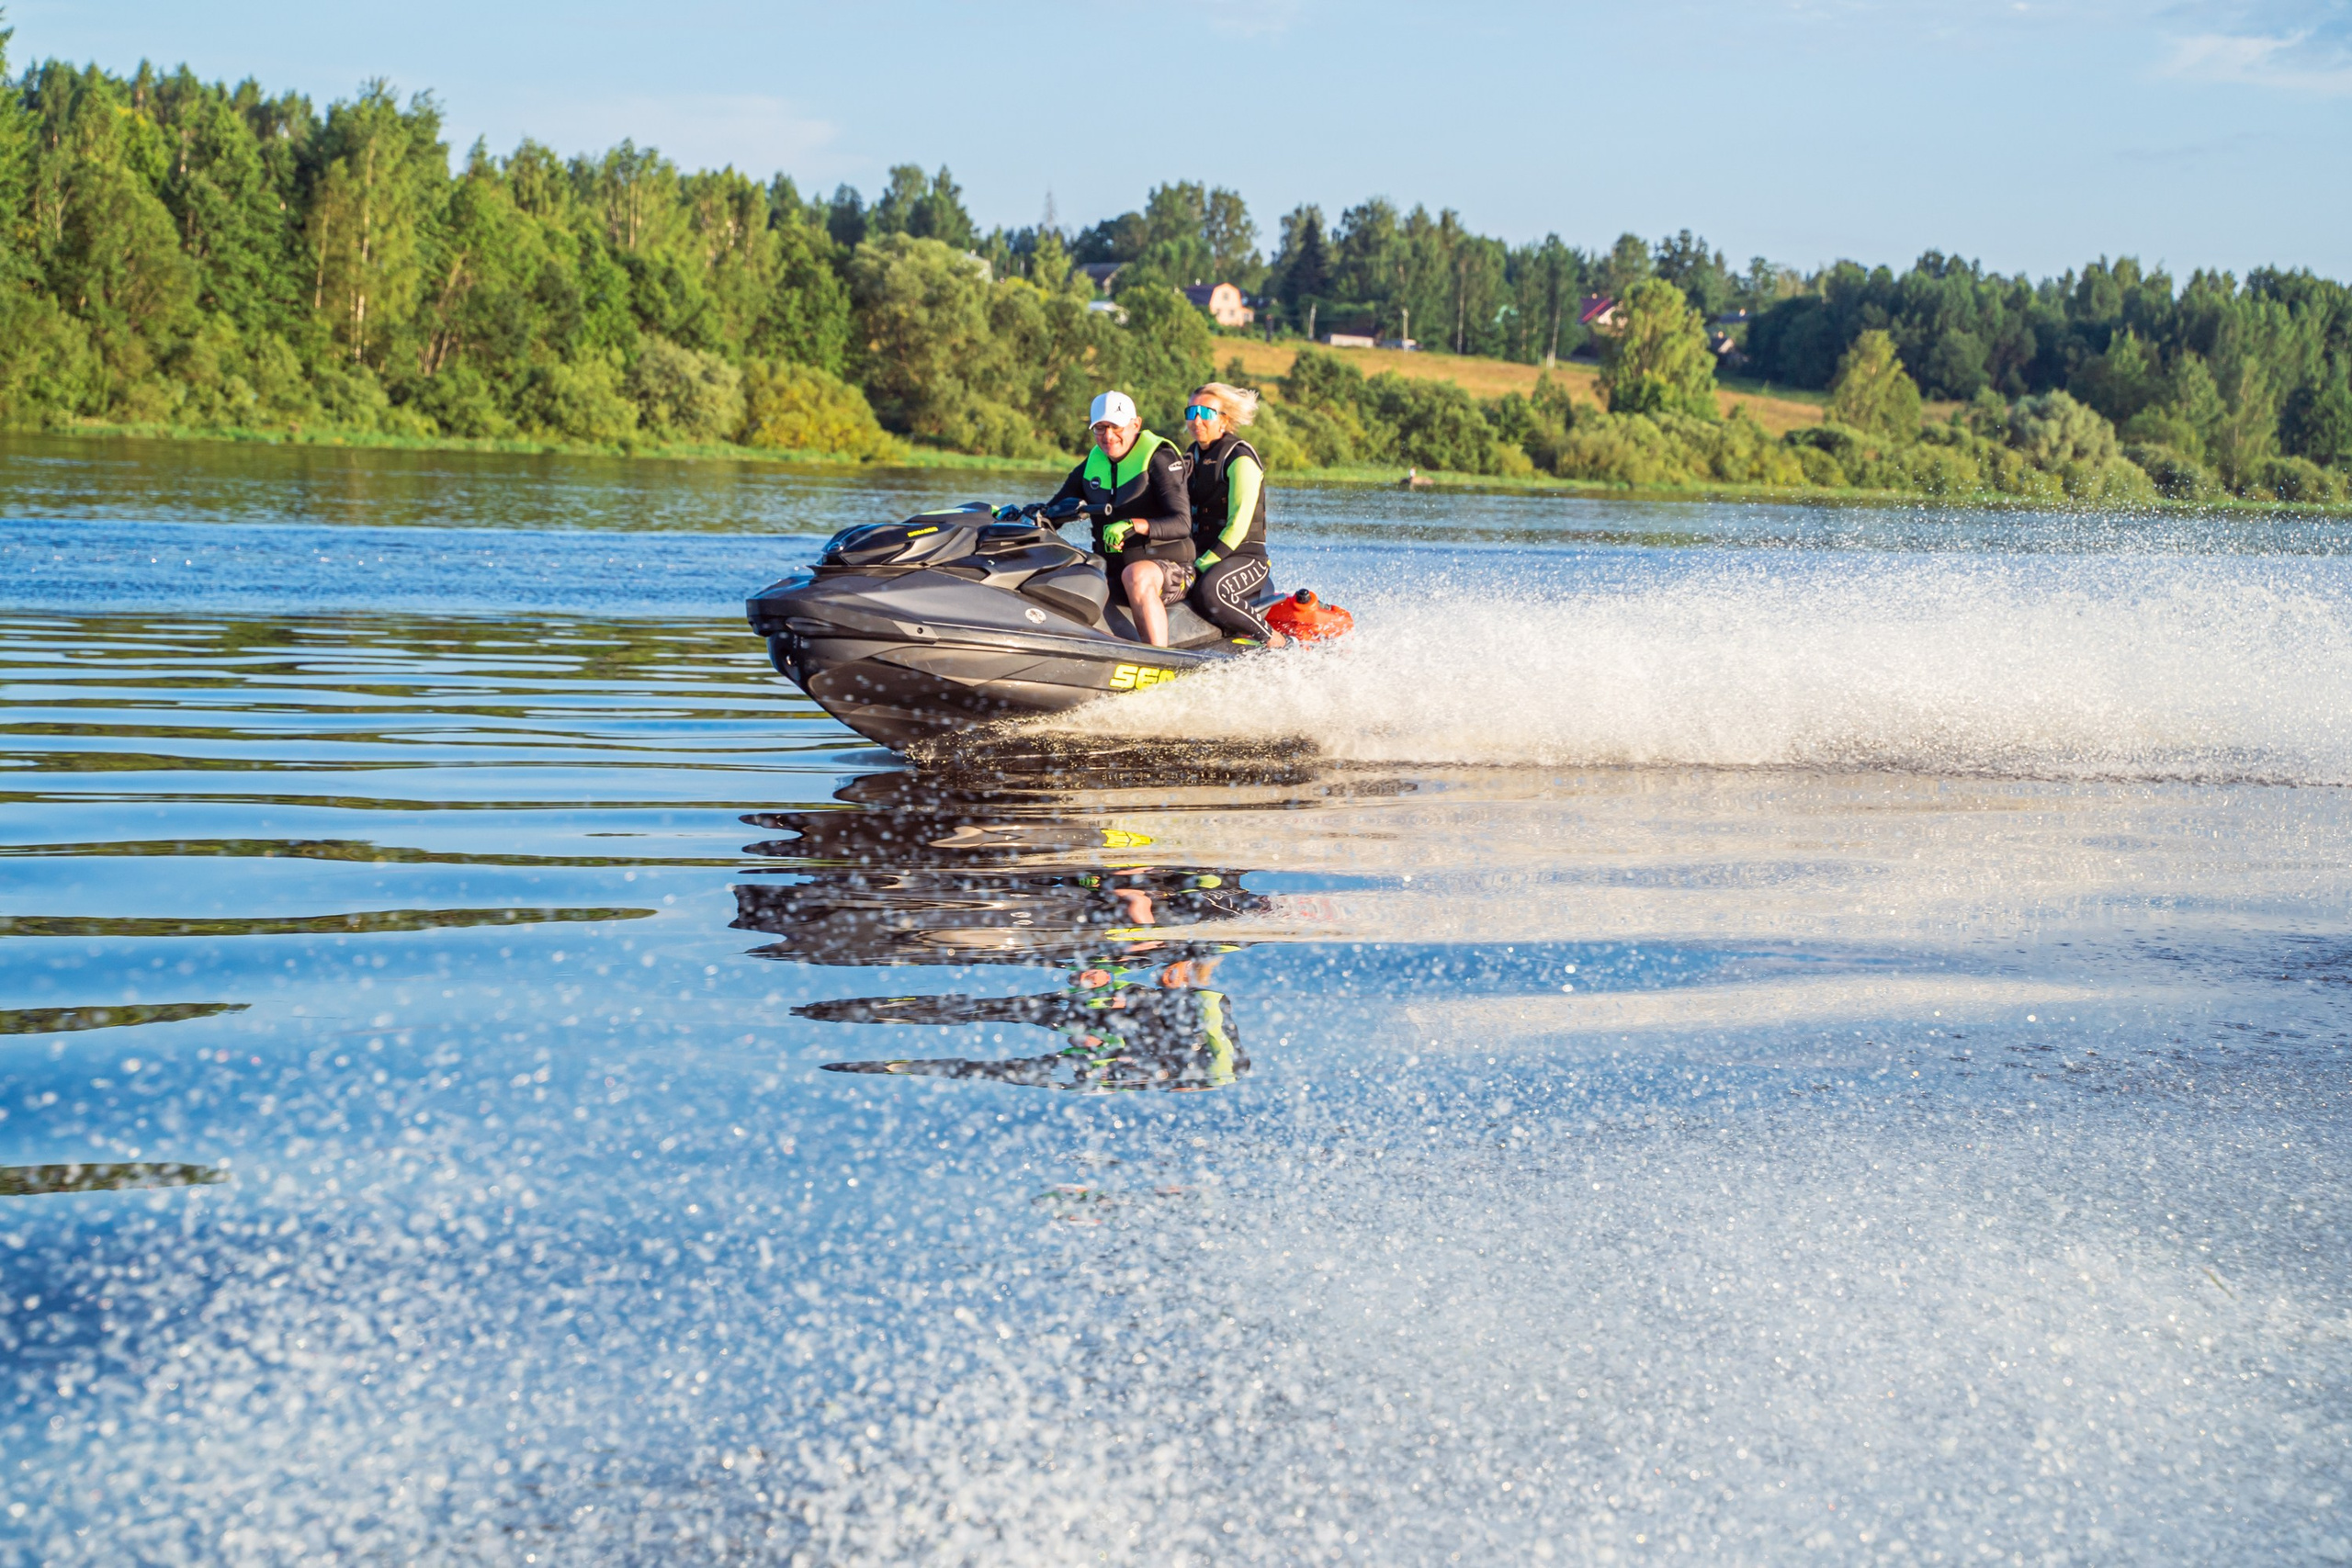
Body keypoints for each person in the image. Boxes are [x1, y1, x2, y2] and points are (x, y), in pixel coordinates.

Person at [1046, 390, 1194, 648]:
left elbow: (1182, 523)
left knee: (1135, 575)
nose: (1108, 436)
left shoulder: (1160, 459)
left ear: (1135, 424)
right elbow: (1053, 512)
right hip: (1112, 569)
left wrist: (1134, 525)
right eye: (1100, 428)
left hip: (1175, 571)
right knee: (1067, 574)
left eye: (1115, 426)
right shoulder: (1091, 466)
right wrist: (1014, 515)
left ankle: (1157, 658)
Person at [1181, 382, 1284, 646]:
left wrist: (1202, 565)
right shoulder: (1189, 457)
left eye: (1205, 413)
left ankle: (1274, 640)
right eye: (1191, 412)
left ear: (1224, 420)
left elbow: (1238, 525)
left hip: (1245, 556)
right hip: (1201, 552)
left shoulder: (1240, 458)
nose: (1197, 420)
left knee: (1212, 591)